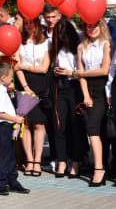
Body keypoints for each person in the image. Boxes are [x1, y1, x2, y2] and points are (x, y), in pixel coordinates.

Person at [74, 18, 111, 187]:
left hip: (103, 89)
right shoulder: (81, 46)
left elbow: (104, 70)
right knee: (92, 129)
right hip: (88, 91)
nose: (92, 28)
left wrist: (81, 74)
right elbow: (80, 74)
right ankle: (99, 167)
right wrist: (85, 95)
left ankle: (100, 168)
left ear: (101, 26)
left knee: (95, 129)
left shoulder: (106, 44)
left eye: (95, 25)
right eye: (89, 25)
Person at [51, 19, 88, 178]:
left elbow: (82, 70)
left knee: (75, 126)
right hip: (60, 86)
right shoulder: (56, 47)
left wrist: (69, 72)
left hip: (75, 86)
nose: (61, 38)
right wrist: (55, 71)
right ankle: (62, 160)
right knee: (59, 125)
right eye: (58, 35)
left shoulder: (78, 45)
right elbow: (52, 65)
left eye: (63, 35)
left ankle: (76, 161)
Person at [14, 17, 50, 177]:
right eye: (26, 22)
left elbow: (44, 68)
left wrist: (24, 66)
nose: (29, 26)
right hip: (24, 85)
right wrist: (26, 87)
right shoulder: (18, 42)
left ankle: (37, 160)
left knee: (39, 124)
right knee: (25, 125)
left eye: (32, 22)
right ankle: (29, 160)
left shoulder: (46, 42)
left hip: (41, 85)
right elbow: (16, 66)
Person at [0, 62, 30, 196]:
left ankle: (13, 181)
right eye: (10, 77)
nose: (11, 79)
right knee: (5, 156)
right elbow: (0, 113)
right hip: (4, 127)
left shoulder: (1, 90)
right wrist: (16, 119)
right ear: (3, 78)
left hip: (8, 127)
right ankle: (1, 183)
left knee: (11, 155)